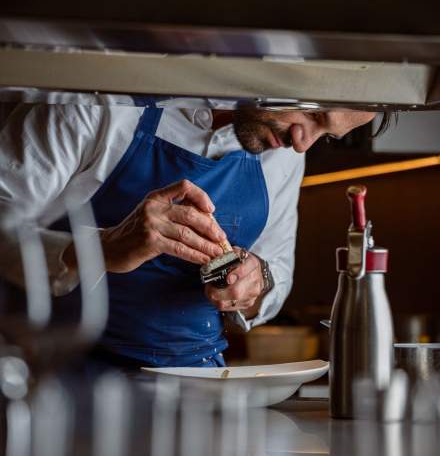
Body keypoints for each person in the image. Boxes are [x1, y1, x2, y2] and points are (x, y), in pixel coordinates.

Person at [0, 99, 376, 368]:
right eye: (314, 115)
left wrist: (255, 279)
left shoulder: (284, 154)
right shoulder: (94, 102)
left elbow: (278, 270)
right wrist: (99, 248)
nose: (302, 142)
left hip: (198, 383)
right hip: (59, 375)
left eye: (326, 135)